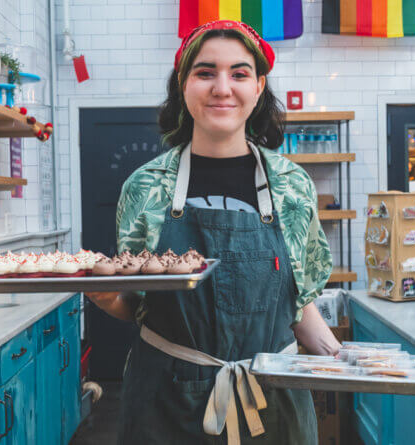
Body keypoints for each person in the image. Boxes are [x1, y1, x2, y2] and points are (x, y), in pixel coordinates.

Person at [86, 20, 340, 444]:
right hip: (165, 405)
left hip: (272, 399)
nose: (222, 87)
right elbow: (137, 302)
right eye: (205, 72)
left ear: (258, 87)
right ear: (183, 85)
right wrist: (106, 296)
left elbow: (299, 302)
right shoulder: (146, 186)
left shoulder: (291, 186)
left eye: (239, 73)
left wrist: (346, 359)